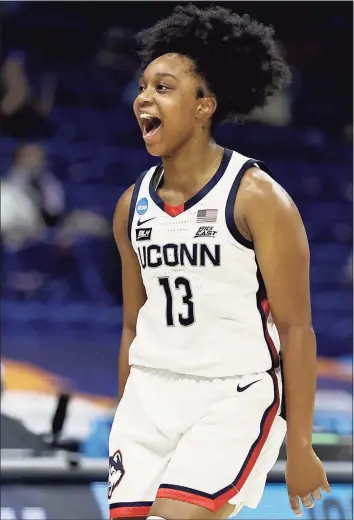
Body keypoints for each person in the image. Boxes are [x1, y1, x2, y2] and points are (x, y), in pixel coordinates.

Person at [109, 5, 330, 520]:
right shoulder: (130, 205)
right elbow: (131, 325)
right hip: (149, 395)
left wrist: (301, 446)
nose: (144, 97)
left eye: (163, 88)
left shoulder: (258, 198)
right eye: (143, 86)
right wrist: (127, 414)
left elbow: (297, 329)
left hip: (231, 394)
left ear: (205, 105)